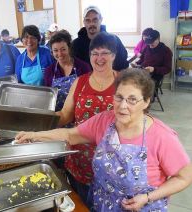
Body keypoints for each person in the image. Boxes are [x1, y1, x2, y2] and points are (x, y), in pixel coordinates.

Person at [16, 68, 192, 212]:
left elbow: (184, 177)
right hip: (103, 205)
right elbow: (70, 135)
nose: (123, 106)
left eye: (132, 100)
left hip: (142, 207)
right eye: (119, 97)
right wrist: (34, 135)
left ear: (146, 102)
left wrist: (147, 197)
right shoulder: (104, 121)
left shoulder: (162, 136)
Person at [49, 32, 118, 208]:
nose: (99, 58)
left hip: (113, 165)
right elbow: (65, 116)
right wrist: (38, 122)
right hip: (80, 162)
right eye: (95, 53)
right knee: (82, 206)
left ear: (114, 55)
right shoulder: (80, 82)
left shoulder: (123, 82)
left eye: (105, 53)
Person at [44, 30, 92, 112]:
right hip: (58, 117)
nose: (59, 53)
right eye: (55, 50)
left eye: (63, 49)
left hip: (79, 114)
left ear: (69, 48)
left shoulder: (83, 67)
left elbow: (90, 94)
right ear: (52, 52)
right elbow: (48, 98)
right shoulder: (49, 71)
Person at [72, 6, 129, 71]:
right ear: (84, 22)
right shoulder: (75, 45)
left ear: (101, 20)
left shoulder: (114, 41)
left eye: (95, 19)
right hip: (85, 80)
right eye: (88, 20)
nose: (91, 24)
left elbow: (123, 64)